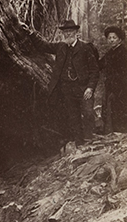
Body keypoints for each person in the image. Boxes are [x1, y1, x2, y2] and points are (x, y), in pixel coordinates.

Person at [48, 19, 99, 149]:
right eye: (65, 32)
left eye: (70, 31)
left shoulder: (86, 48)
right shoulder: (60, 47)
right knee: (73, 116)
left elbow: (95, 70)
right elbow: (43, 45)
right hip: (67, 89)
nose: (68, 34)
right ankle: (79, 143)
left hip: (83, 88)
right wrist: (30, 33)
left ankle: (89, 139)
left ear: (76, 32)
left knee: (87, 112)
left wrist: (90, 88)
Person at [98, 26, 127, 134]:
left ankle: (121, 133)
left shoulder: (123, 52)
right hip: (110, 86)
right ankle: (112, 132)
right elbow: (99, 64)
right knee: (110, 110)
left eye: (114, 37)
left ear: (119, 39)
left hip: (121, 87)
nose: (111, 40)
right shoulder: (110, 53)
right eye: (109, 38)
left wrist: (118, 86)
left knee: (119, 109)